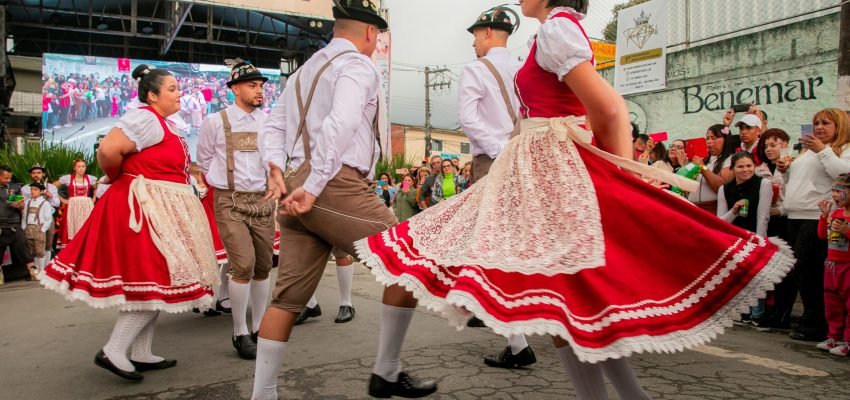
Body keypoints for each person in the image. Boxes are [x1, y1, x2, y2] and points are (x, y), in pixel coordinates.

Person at [354, 1, 794, 399]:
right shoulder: (554, 30)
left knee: (564, 294)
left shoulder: (555, 30)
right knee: (567, 297)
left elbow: (610, 108)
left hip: (551, 169)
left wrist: (620, 174)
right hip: (537, 168)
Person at [252, 3, 398, 398]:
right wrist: (315, 186)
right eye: (378, 37)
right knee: (405, 257)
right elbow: (342, 123)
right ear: (370, 33)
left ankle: (262, 394)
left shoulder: (304, 70)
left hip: (299, 182)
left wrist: (275, 166)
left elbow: (275, 124)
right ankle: (388, 369)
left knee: (286, 300)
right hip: (329, 183)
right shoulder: (358, 65)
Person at [39, 64, 219, 381]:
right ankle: (114, 349)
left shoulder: (163, 124)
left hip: (158, 206)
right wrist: (119, 177)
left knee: (151, 282)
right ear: (152, 95)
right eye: (172, 89)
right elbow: (109, 150)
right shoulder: (145, 118)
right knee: (157, 277)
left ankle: (140, 352)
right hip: (143, 207)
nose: (179, 94)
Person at [458, 4, 536, 369]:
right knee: (519, 243)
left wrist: (498, 149)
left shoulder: (475, 69)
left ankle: (518, 343)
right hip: (527, 159)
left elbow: (468, 118)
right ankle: (493, 311)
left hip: (493, 162)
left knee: (494, 246)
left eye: (475, 34)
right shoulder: (523, 67)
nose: (473, 42)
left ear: (488, 33)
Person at [196, 59, 274, 360]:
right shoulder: (215, 122)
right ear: (235, 89)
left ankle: (259, 328)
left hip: (263, 201)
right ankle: (240, 331)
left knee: (264, 266)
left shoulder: (267, 122)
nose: (259, 91)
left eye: (261, 86)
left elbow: (275, 159)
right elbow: (202, 161)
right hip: (230, 200)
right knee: (243, 264)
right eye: (253, 85)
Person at [777, 108, 850, 342]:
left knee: (808, 270)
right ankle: (813, 319)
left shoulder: (841, 150)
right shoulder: (808, 152)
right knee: (802, 271)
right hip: (795, 215)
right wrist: (785, 171)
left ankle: (817, 323)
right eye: (816, 122)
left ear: (839, 126)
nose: (819, 127)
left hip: (815, 216)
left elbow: (846, 177)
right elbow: (800, 182)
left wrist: (823, 151)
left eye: (826, 123)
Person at [755, 128, 794, 330]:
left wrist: (779, 210)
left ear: (785, 144)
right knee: (770, 268)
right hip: (766, 223)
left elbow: (794, 195)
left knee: (786, 270)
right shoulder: (760, 169)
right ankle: (771, 311)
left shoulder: (791, 166)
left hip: (784, 221)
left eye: (774, 144)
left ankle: (783, 313)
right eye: (766, 145)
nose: (769, 149)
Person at [816, 174, 850, 357]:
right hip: (832, 265)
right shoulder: (836, 214)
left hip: (848, 266)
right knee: (832, 303)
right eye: (834, 191)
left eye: (840, 191)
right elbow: (822, 236)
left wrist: (848, 231)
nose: (835, 195)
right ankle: (834, 336)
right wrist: (824, 216)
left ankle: (848, 341)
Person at [686, 124, 736, 212]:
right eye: (707, 138)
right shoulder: (703, 160)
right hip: (693, 208)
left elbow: (721, 187)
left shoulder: (730, 160)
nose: (709, 141)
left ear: (725, 140)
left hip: (713, 209)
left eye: (713, 138)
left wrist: (702, 168)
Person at [53, 160, 97, 249]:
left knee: (87, 226)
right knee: (71, 227)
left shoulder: (90, 178)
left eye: (83, 166)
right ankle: (72, 250)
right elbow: (52, 187)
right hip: (72, 207)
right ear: (74, 168)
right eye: (79, 166)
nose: (81, 169)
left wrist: (94, 199)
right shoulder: (68, 178)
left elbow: (97, 188)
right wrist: (62, 200)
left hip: (86, 206)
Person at [22, 164, 60, 263]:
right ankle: (36, 269)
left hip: (47, 218)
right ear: (31, 174)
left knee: (48, 243)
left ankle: (46, 268)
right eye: (33, 173)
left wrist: (50, 196)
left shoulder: (51, 187)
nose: (36, 175)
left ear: (43, 174)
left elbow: (57, 203)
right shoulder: (26, 188)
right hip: (32, 219)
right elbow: (25, 205)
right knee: (34, 245)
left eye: (38, 173)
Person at [21, 182, 53, 276]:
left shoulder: (45, 203)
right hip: (29, 229)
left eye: (35, 190)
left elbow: (48, 219)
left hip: (39, 229)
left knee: (40, 251)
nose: (32, 191)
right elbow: (25, 216)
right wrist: (24, 227)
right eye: (31, 189)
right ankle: (36, 272)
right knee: (32, 251)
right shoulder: (28, 202)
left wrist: (43, 229)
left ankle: (42, 271)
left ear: (41, 191)